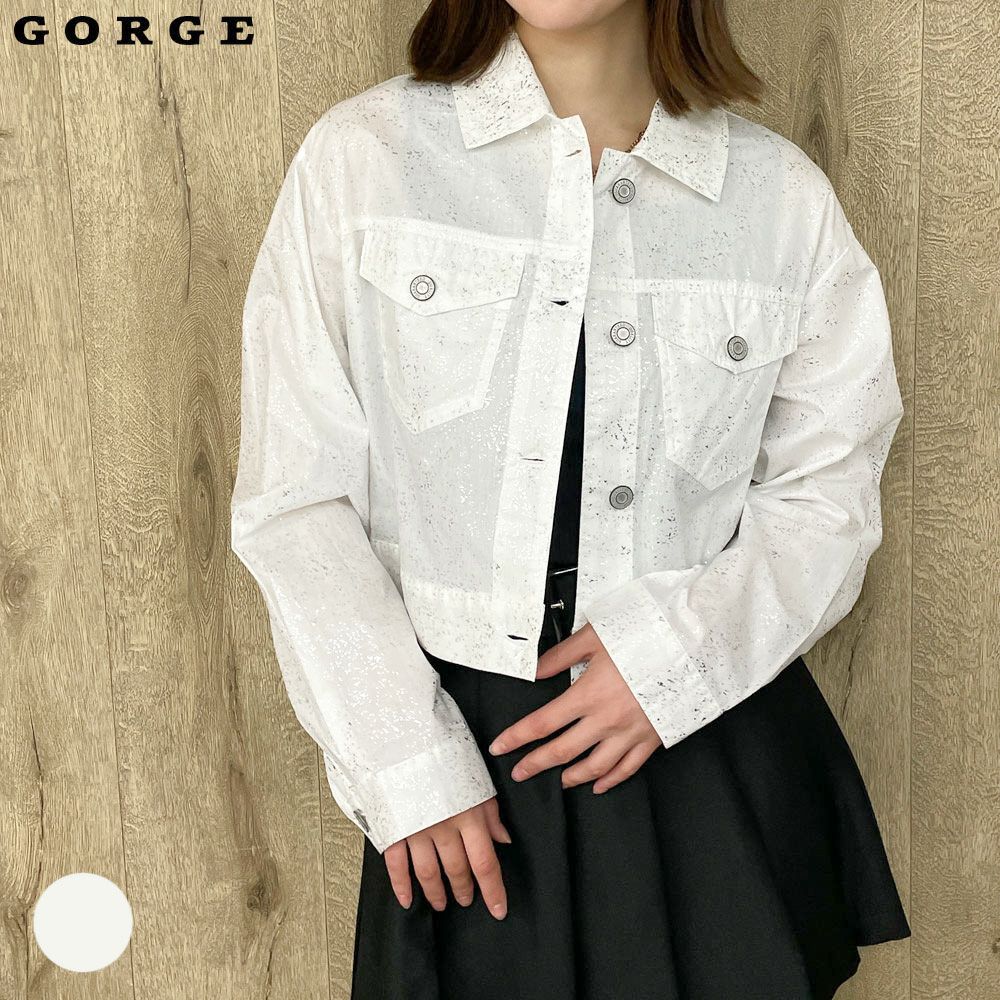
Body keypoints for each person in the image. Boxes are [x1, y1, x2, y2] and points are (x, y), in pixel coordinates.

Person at [230, 1, 912, 997]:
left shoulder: (779, 199)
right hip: (465, 766)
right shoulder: (364, 160)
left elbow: (829, 489)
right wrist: (405, 762)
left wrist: (674, 663)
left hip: (709, 745)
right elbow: (296, 499)